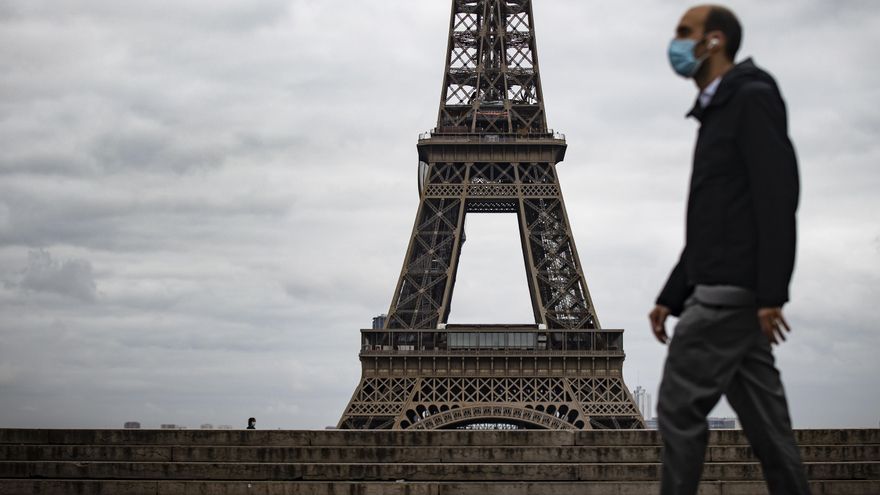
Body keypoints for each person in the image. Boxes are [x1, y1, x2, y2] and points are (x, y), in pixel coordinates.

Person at [649, 5, 811, 495]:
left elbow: (777, 196)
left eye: (684, 32)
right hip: (731, 290)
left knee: (677, 410)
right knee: (769, 430)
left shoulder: (750, 98)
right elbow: (714, 221)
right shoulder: (718, 109)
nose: (674, 43)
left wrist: (772, 293)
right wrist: (671, 295)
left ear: (714, 41)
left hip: (725, 296)